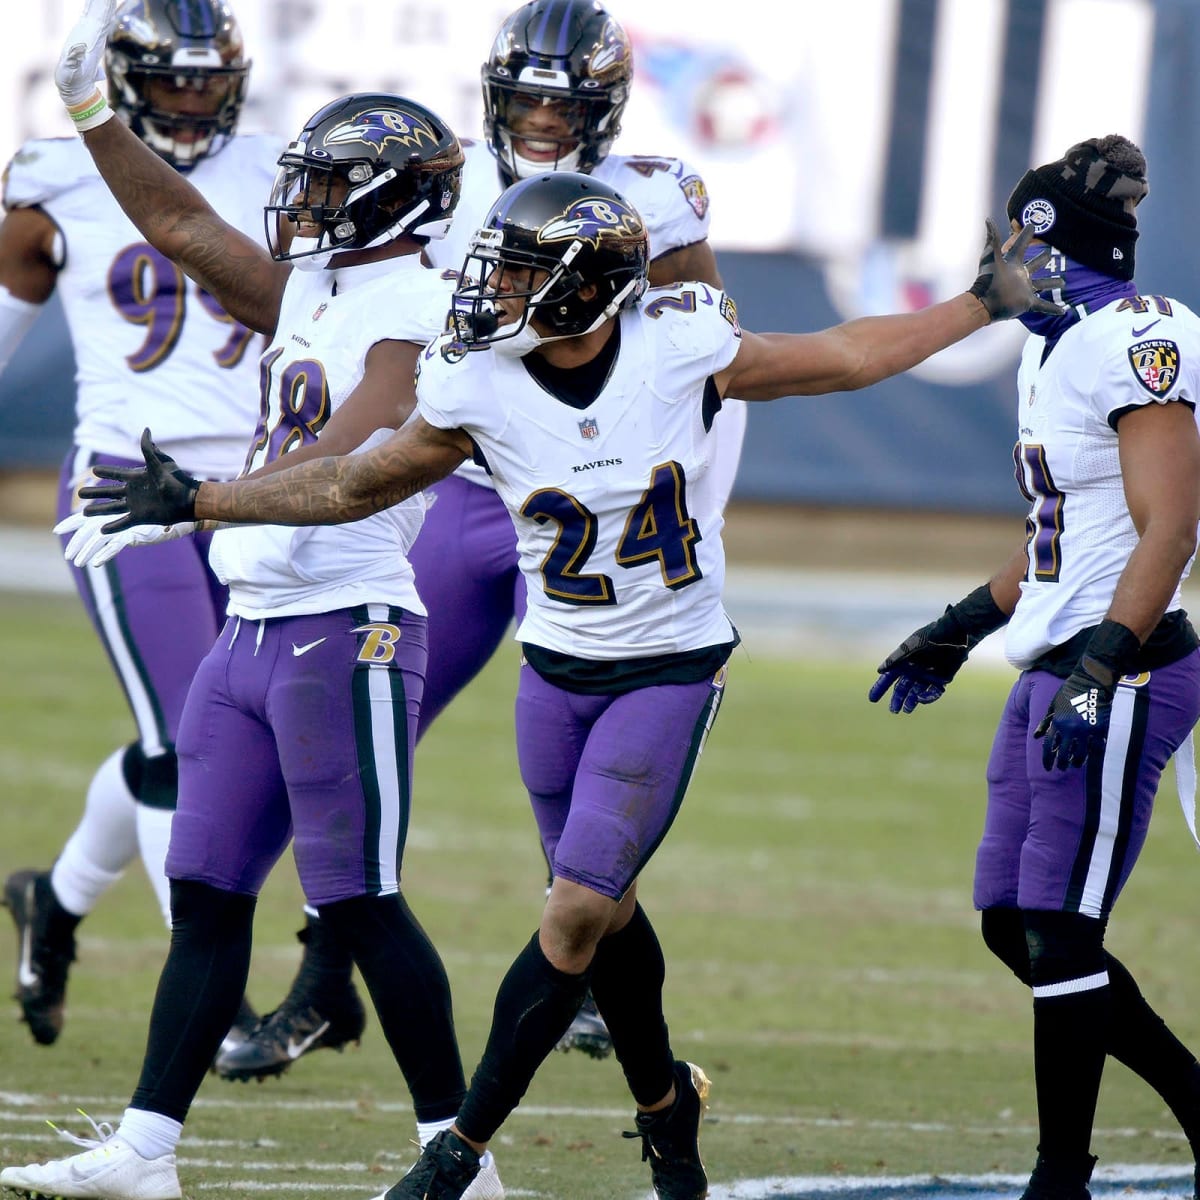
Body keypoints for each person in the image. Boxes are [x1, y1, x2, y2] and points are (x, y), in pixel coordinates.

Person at [59, 166, 1057, 1198]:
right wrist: (208, 498)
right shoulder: (475, 381)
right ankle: (668, 1107)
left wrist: (982, 302)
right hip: (555, 678)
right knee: (607, 916)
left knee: (575, 913)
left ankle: (458, 1156)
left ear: (584, 286)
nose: (491, 290)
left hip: (666, 671)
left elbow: (846, 356)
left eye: (521, 271)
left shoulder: (680, 347)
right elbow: (355, 480)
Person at [0, 6, 502, 1199]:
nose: (306, 203)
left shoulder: (419, 319)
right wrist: (90, 116)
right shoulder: (319, 288)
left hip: (350, 626)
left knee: (362, 902)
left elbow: (348, 469)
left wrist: (201, 501)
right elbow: (177, 221)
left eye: (333, 187)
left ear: (389, 202)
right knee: (208, 890)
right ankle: (146, 1151)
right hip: (255, 627)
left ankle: (459, 1157)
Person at [217, 0, 743, 1080]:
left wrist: (688, 510)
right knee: (371, 732)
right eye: (527, 99)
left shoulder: (656, 195)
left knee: (591, 736)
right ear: (497, 98)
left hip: (603, 509)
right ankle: (323, 990)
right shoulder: (443, 190)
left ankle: (593, 964)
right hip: (465, 493)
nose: (543, 121)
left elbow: (716, 368)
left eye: (565, 102)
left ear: (605, 104)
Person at [868, 135, 1200, 1200]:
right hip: (1056, 658)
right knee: (1013, 926)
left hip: (1126, 664)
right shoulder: (1050, 346)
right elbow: (1068, 532)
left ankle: (1061, 1174)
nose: (999, 254)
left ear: (1051, 245)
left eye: (1016, 234)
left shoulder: (1139, 341)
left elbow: (1170, 526)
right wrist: (962, 622)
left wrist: (1106, 665)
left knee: (1061, 930)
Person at [0, 0, 279, 1053]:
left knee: (204, 735)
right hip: (127, 491)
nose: (194, 99)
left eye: (208, 80)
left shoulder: (275, 173)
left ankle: (55, 902)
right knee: (191, 740)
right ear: (125, 80)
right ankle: (215, 999)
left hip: (251, 496)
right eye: (172, 81)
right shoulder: (53, 174)